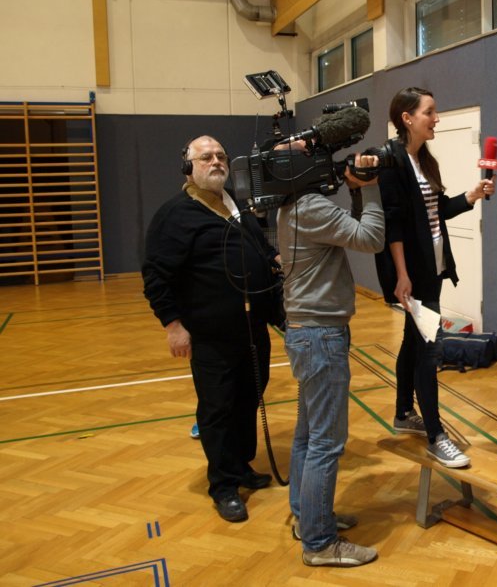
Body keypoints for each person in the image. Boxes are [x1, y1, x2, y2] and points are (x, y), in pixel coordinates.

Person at [143, 135, 279, 523]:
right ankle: (223, 485)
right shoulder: (175, 214)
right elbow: (156, 275)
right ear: (188, 168)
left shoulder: (236, 204)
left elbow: (260, 248)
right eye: (206, 157)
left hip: (252, 328)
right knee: (218, 408)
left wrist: (273, 259)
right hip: (211, 335)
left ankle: (240, 465)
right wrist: (173, 326)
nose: (216, 162)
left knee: (248, 398)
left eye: (220, 156)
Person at [375, 87, 496, 469]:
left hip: (434, 269)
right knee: (428, 352)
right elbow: (393, 224)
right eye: (429, 112)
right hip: (412, 275)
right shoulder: (391, 160)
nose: (436, 119)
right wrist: (402, 275)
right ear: (407, 118)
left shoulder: (424, 160)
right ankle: (436, 436)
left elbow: (438, 209)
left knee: (413, 343)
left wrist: (472, 195)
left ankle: (402, 412)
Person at [277, 145, 385, 568]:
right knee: (326, 441)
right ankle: (320, 543)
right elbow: (371, 238)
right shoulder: (312, 207)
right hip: (320, 335)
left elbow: (350, 230)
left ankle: (308, 518)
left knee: (308, 435)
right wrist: (370, 187)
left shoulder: (294, 205)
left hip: (307, 333)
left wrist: (355, 189)